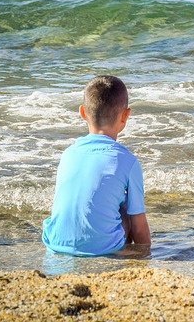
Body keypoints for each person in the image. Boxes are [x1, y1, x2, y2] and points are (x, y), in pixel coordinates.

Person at [42, 75, 151, 256]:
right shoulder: (128, 161)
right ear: (125, 116)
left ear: (83, 112)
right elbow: (138, 226)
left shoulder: (68, 154)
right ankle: (111, 247)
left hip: (56, 243)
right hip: (104, 249)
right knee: (126, 206)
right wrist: (146, 254)